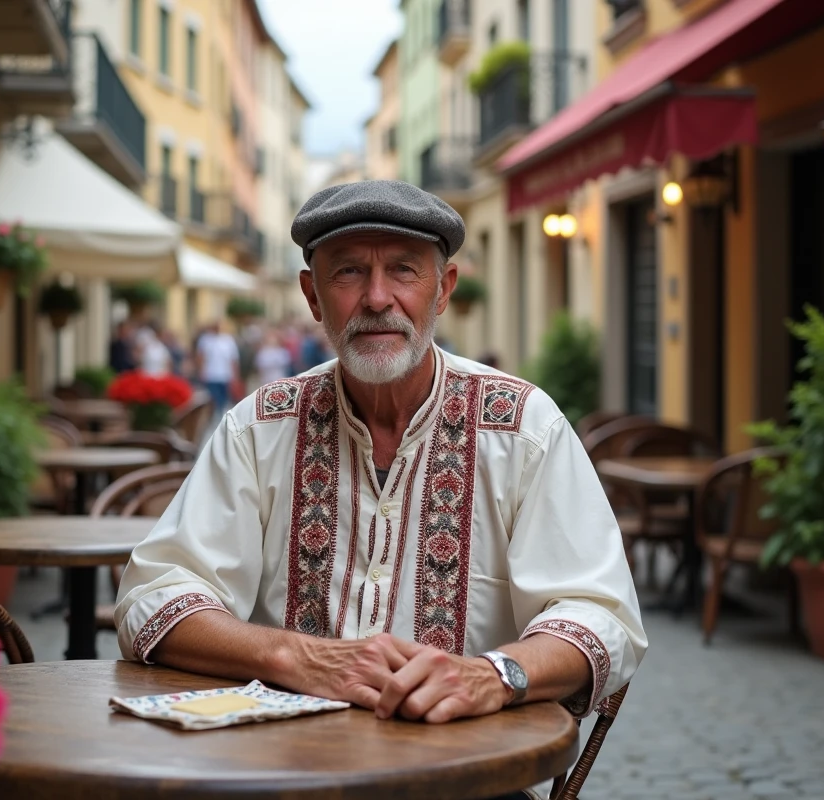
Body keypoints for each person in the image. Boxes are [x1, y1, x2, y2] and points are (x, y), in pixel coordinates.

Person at [116, 181, 645, 799]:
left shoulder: (524, 425)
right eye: (348, 272)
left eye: (403, 270)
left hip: (465, 785)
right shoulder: (261, 425)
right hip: (277, 780)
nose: (377, 298)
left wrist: (493, 675)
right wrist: (298, 659)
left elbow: (598, 613)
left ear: (443, 289)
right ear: (313, 296)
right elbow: (155, 596)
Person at [194, 321, 239, 414]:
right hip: (211, 375)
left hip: (225, 375)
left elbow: (233, 359)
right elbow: (200, 357)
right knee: (213, 399)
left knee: (224, 399)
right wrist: (201, 371)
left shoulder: (228, 340)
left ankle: (221, 415)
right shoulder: (205, 339)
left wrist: (235, 376)